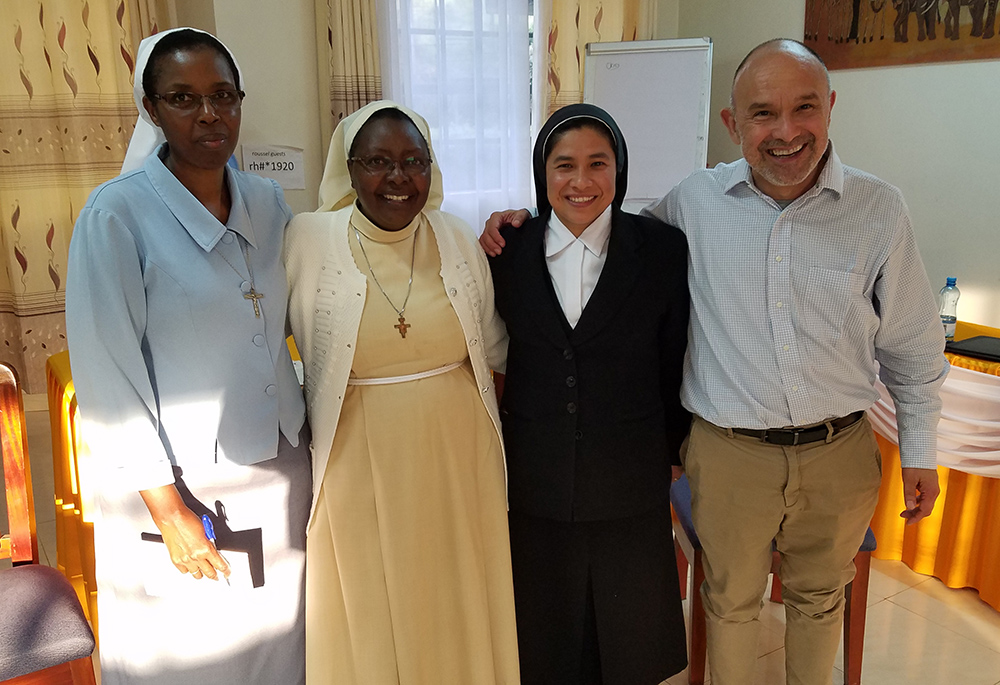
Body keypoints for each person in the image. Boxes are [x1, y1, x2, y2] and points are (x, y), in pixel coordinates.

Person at [481, 39, 947, 685]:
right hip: (731, 456)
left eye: (804, 108)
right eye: (762, 113)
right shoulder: (692, 203)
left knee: (819, 602)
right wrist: (518, 224)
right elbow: (602, 242)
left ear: (831, 107)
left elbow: (914, 346)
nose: (785, 132)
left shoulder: (880, 210)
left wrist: (919, 449)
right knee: (728, 606)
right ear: (732, 123)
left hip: (839, 451)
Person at [66, 28, 309, 685]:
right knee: (192, 655)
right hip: (180, 484)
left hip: (279, 466)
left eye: (223, 96)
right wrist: (169, 509)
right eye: (184, 97)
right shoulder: (116, 217)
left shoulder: (267, 201)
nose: (209, 114)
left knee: (283, 649)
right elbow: (108, 378)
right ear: (150, 109)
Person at [284, 100, 519, 684]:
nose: (397, 178)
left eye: (414, 161)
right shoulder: (310, 239)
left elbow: (493, 346)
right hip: (358, 450)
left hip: (459, 452)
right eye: (378, 162)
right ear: (349, 167)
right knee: (372, 596)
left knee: (458, 589)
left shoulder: (457, 236)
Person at [488, 103, 689, 685]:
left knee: (628, 637)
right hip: (537, 472)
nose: (581, 182)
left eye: (597, 164)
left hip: (630, 471)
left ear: (619, 171)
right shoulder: (508, 252)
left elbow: (674, 355)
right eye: (564, 165)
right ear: (542, 172)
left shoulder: (661, 249)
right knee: (545, 636)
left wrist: (674, 450)